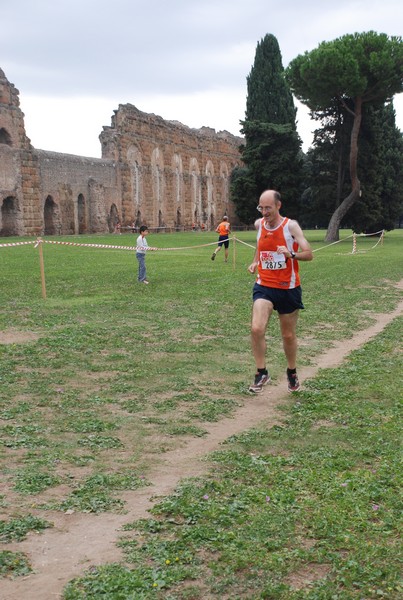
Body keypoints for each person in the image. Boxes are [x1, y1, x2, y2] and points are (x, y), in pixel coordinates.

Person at [247, 190, 313, 393]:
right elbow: (261, 245)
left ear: (278, 206)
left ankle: (292, 372)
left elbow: (309, 254)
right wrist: (256, 261)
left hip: (288, 288)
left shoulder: (290, 226)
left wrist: (291, 254)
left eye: (268, 207)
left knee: (288, 335)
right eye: (261, 207)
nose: (264, 212)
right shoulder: (259, 225)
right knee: (257, 328)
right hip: (264, 286)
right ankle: (261, 372)